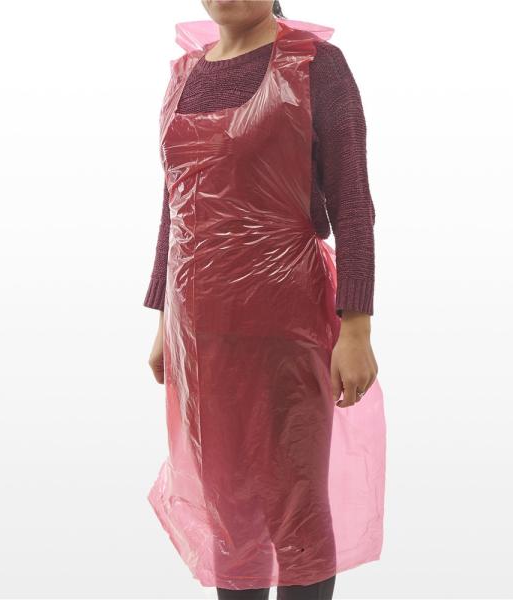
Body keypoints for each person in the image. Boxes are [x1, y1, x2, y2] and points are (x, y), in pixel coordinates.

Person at [144, 2, 385, 599]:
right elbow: (175, 203)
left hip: (285, 324)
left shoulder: (317, 66)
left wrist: (355, 327)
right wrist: (163, 319)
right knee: (228, 508)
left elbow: (353, 202)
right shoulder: (185, 74)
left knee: (293, 503)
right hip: (200, 330)